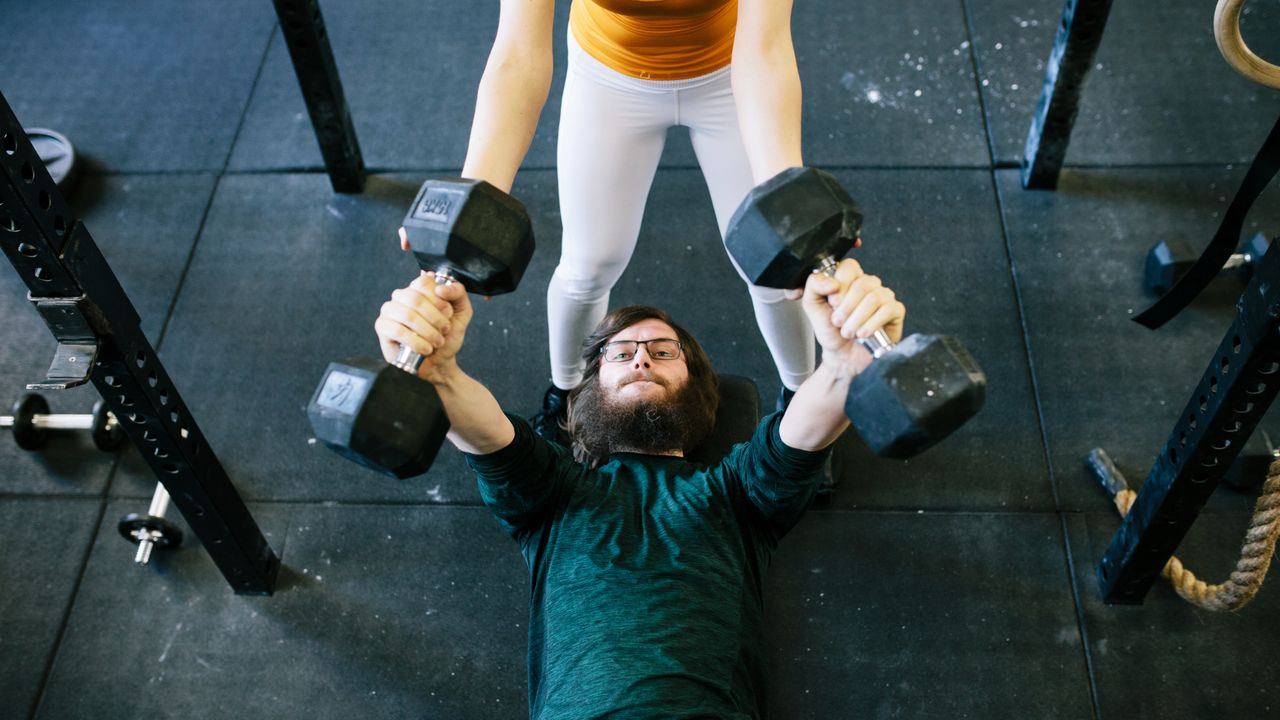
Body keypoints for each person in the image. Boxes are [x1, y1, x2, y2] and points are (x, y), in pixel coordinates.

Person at [373, 258, 905, 716]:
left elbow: (805, 428)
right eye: (620, 354)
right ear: (590, 389)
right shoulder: (553, 490)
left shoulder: (736, 491)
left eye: (662, 351)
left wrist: (845, 362)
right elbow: (487, 433)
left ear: (695, 385)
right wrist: (439, 370)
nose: (641, 358)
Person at [409, 0, 826, 441]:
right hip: (609, 78)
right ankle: (568, 400)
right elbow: (518, 54)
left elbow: (765, 48)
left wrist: (786, 204)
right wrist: (470, 210)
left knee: (776, 269)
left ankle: (805, 405)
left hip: (730, 72)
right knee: (588, 267)